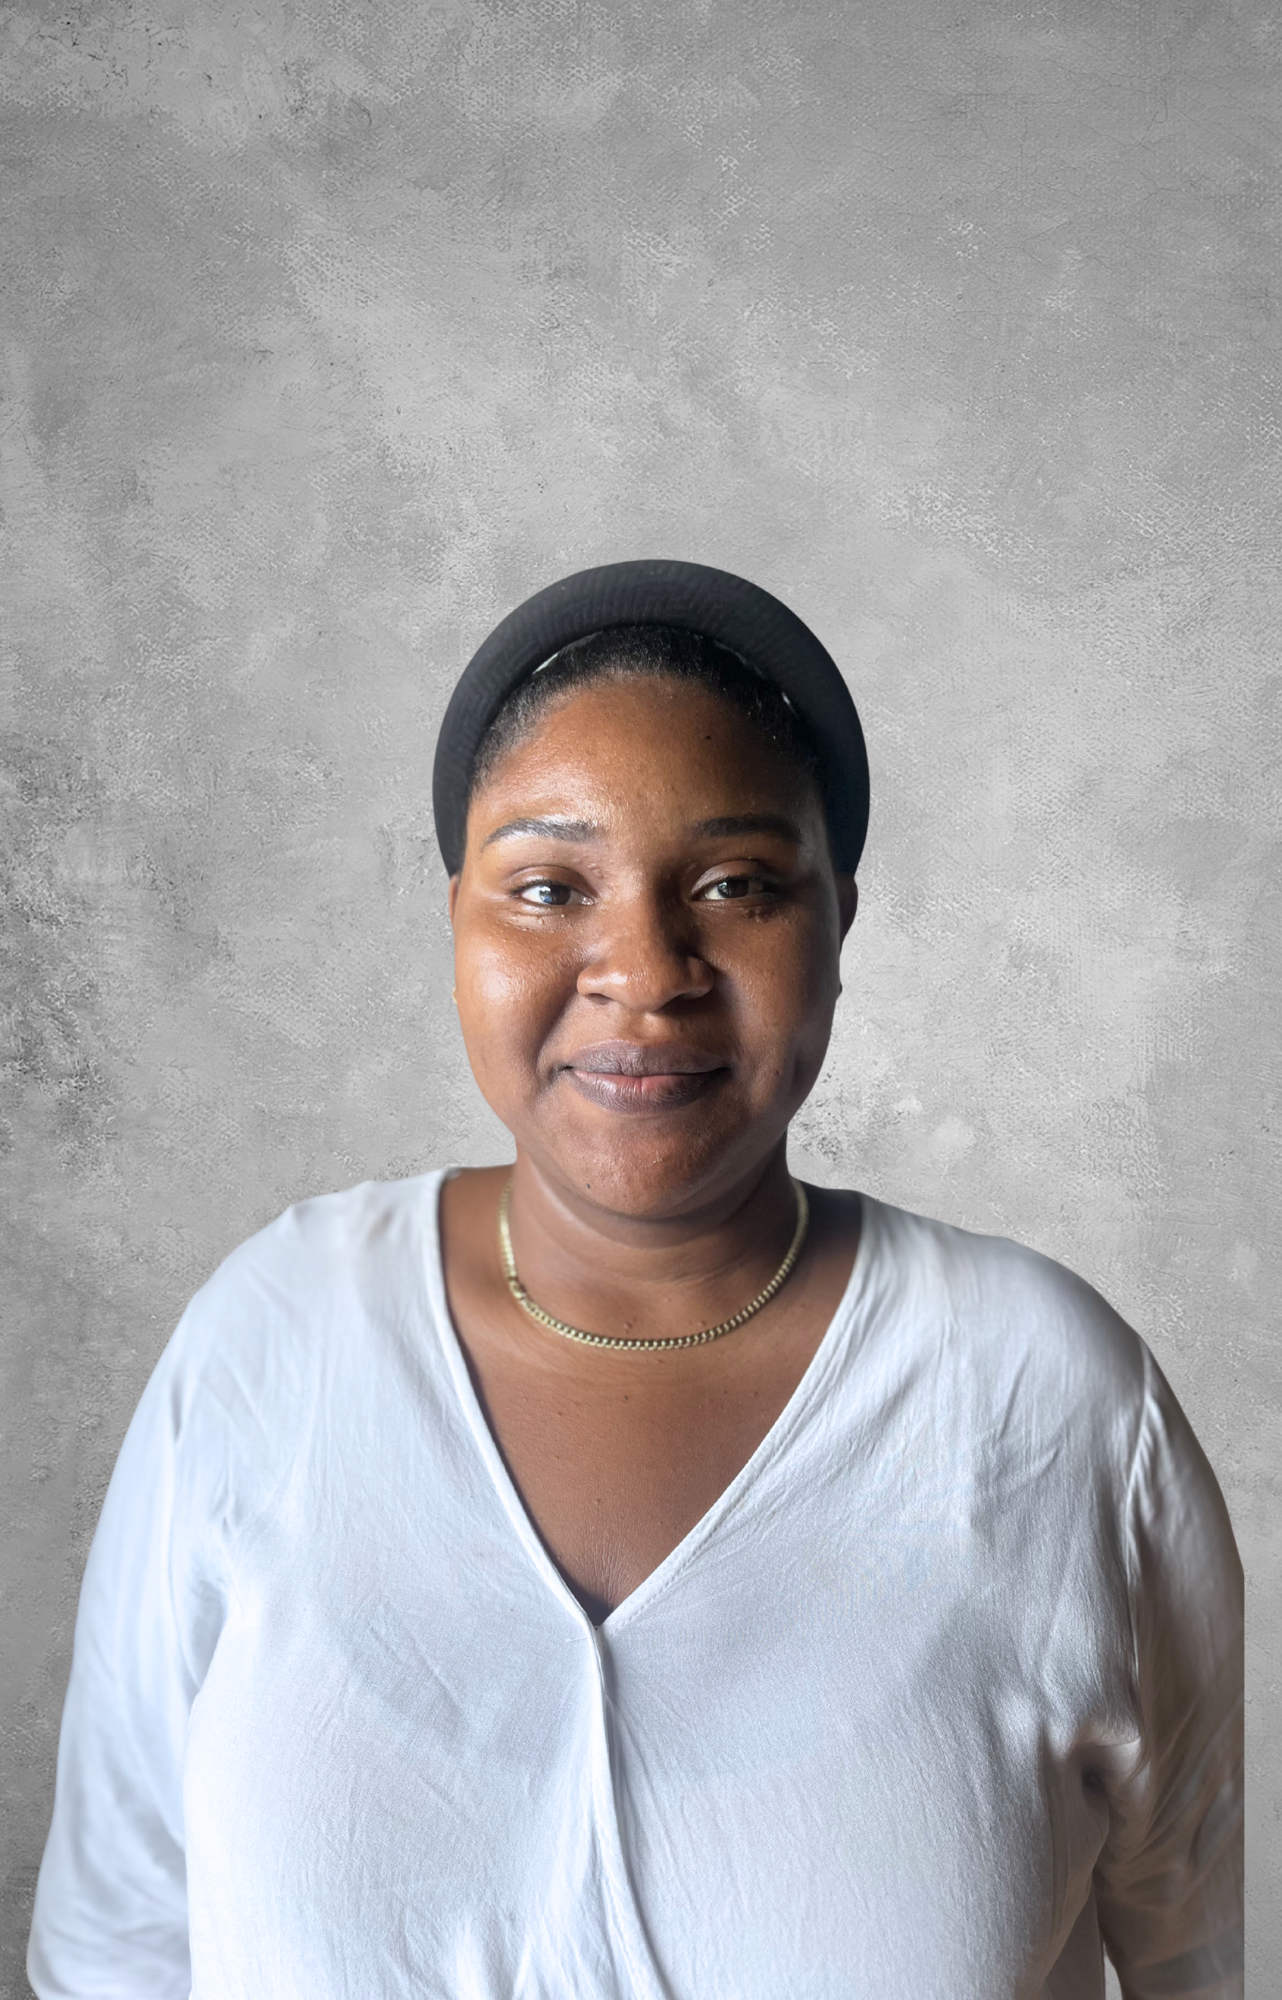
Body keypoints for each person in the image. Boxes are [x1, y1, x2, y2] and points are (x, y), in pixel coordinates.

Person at [28, 562, 1243, 1999]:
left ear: (837, 925)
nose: (645, 971)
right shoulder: (274, 1338)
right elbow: (112, 1956)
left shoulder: (1051, 1399)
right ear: (459, 922)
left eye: (736, 887)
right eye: (549, 889)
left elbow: (1196, 1959)